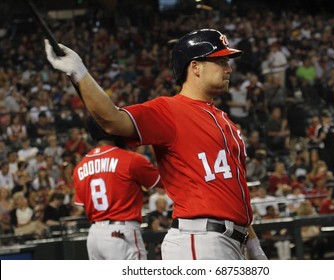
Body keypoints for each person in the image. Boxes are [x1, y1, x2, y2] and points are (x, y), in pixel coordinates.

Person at [45, 28, 267, 260]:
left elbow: (233, 194)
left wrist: (253, 245)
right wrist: (79, 73)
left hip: (231, 241)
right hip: (200, 240)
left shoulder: (226, 122)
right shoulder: (168, 110)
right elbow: (112, 119)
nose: (228, 68)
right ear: (195, 67)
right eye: (220, 61)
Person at [73, 117, 163, 260]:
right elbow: (163, 182)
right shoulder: (130, 159)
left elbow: (82, 205)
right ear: (112, 128)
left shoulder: (80, 167)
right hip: (120, 230)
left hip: (94, 235)